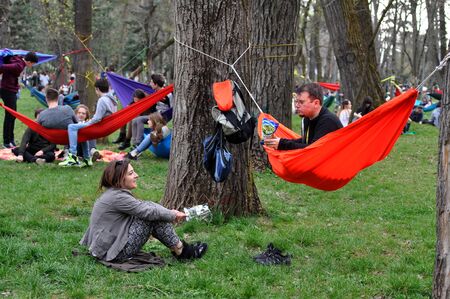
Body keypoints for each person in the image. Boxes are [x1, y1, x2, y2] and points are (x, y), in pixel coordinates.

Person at [79, 159, 208, 262]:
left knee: (151, 210)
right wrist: (173, 215)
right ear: (119, 179)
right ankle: (183, 252)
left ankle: (180, 249)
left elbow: (146, 206)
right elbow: (148, 212)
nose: (136, 175)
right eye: (131, 173)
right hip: (110, 252)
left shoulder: (115, 194)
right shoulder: (117, 197)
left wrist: (170, 212)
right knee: (152, 217)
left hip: (107, 246)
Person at [264, 83, 343, 150]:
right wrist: (279, 141)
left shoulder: (328, 121)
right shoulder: (307, 118)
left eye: (301, 102)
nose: (297, 106)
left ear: (316, 103)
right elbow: (305, 141)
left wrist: (282, 144)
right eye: (296, 102)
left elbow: (313, 149)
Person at [59, 78, 117, 167]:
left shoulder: (102, 100)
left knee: (71, 127)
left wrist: (87, 122)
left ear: (97, 89)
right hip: (107, 127)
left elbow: (97, 118)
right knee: (83, 132)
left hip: (100, 127)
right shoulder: (113, 101)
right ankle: (87, 159)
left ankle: (72, 156)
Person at [0, 51, 38, 148]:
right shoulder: (19, 65)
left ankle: (10, 140)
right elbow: (3, 67)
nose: (32, 66)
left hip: (9, 89)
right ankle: (6, 142)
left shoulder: (18, 60)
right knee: (10, 116)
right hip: (7, 90)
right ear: (29, 62)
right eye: (33, 64)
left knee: (12, 115)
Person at [130, 74, 172, 148]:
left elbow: (172, 108)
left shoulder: (168, 94)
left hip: (162, 117)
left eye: (151, 82)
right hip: (154, 115)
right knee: (134, 120)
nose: (150, 84)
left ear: (156, 84)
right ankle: (134, 143)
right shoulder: (155, 93)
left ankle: (138, 144)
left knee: (139, 120)